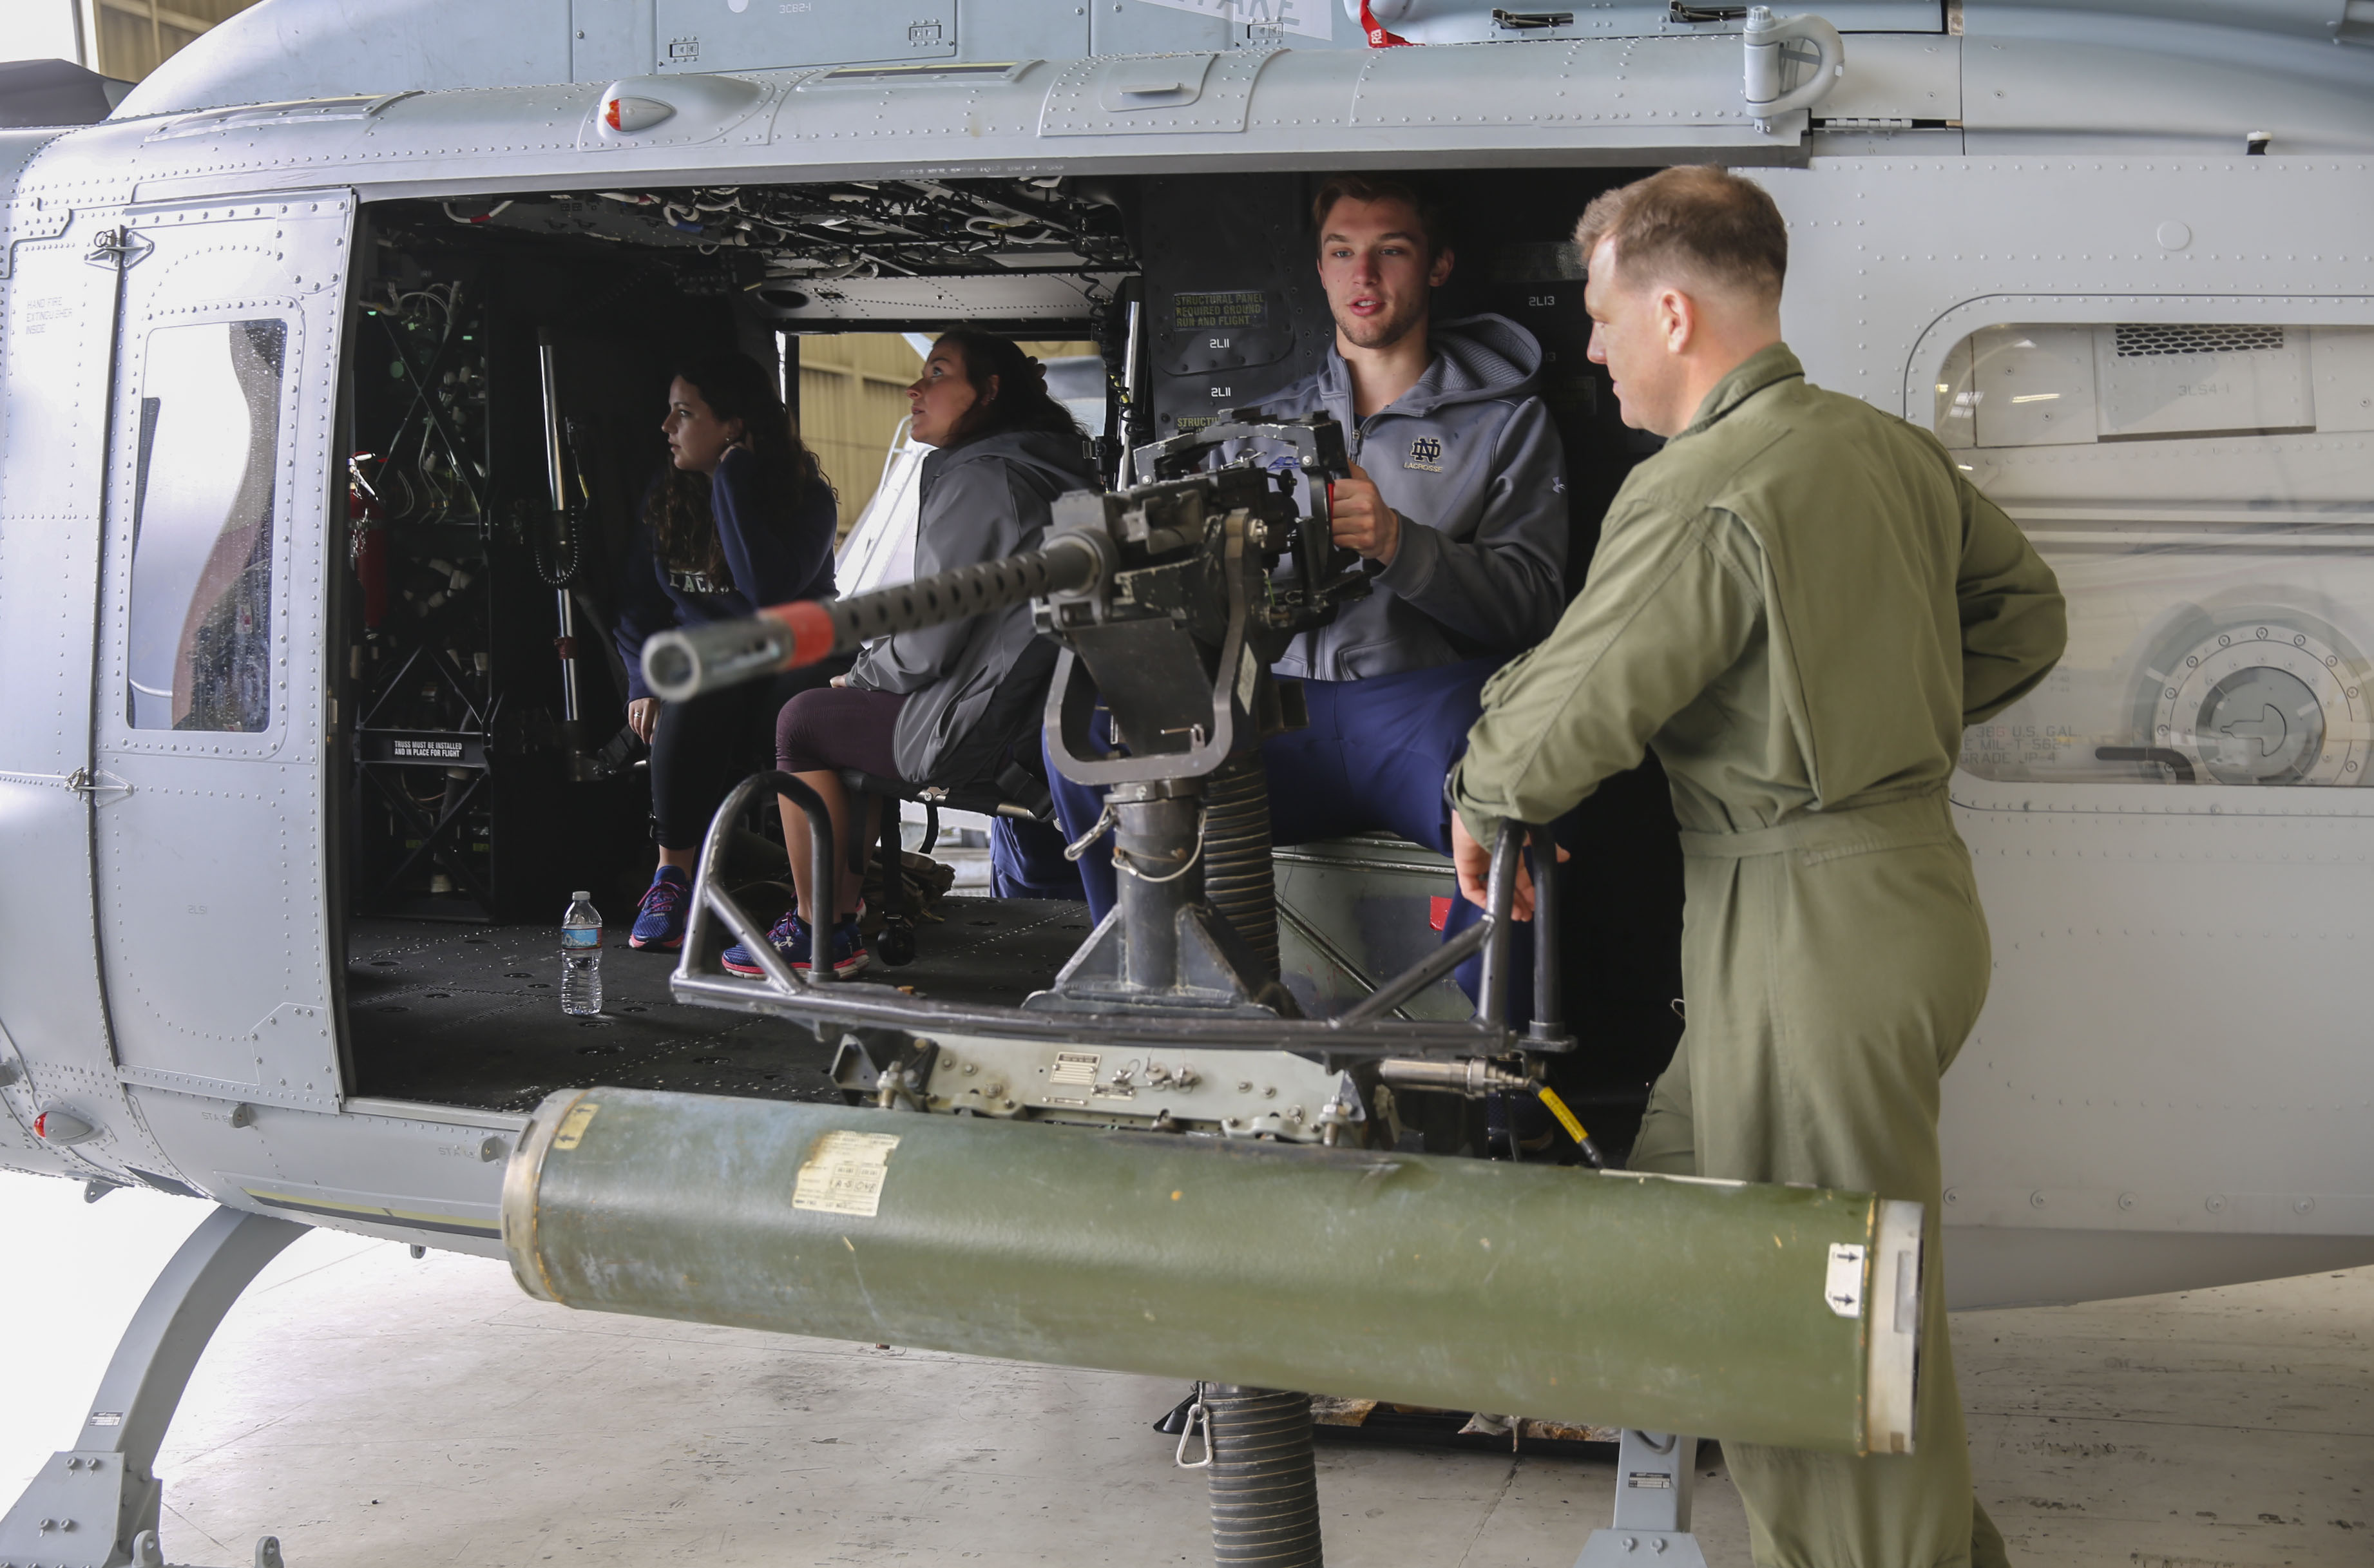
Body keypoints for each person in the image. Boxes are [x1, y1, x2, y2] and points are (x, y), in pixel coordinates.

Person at [1444, 166, 2067, 1568]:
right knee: (1699, 1227)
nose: (1592, 348)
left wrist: (1480, 788)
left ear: (1670, 308)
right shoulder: (1883, 450)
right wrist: (1886, 712)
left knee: (1816, 1326)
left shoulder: (1703, 488)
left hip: (1807, 928)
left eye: (1603, 317)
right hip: (1891, 900)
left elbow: (1567, 714)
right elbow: (2025, 616)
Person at [1046, 172, 1569, 1004]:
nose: (1363, 276)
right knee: (1084, 740)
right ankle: (1150, 997)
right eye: (1341, 252)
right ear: (1319, 271)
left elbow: (1533, 604)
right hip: (1270, 714)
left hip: (1419, 710)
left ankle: (1495, 1105)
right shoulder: (1255, 435)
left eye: (1390, 251)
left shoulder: (1504, 424)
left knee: (1517, 806)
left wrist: (1400, 543)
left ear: (1435, 267)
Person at [723, 332, 1098, 978]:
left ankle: (818, 929)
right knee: (844, 725)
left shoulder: (984, 477)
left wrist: (862, 674)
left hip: (981, 723)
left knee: (803, 721)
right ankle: (837, 922)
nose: (913, 389)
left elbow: (927, 642)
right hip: (1025, 709)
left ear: (988, 392)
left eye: (937, 372)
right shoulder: (1048, 464)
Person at [613, 352, 841, 951]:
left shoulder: (805, 498)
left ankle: (816, 911)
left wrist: (731, 482)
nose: (667, 429)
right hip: (715, 663)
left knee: (801, 716)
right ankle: (672, 881)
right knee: (687, 686)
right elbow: (638, 606)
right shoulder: (667, 496)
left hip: (792, 656)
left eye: (684, 414)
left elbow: (768, 589)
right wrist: (641, 680)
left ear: (734, 426)